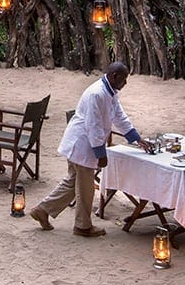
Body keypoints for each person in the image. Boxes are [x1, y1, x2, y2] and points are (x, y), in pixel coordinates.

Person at [30, 61, 141, 237]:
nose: (125, 83)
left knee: (73, 182)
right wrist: (100, 153)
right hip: (82, 145)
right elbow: (93, 126)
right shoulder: (97, 94)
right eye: (124, 79)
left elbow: (119, 115)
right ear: (114, 76)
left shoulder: (111, 92)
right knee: (85, 189)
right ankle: (82, 226)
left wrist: (136, 138)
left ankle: (42, 210)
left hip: (83, 144)